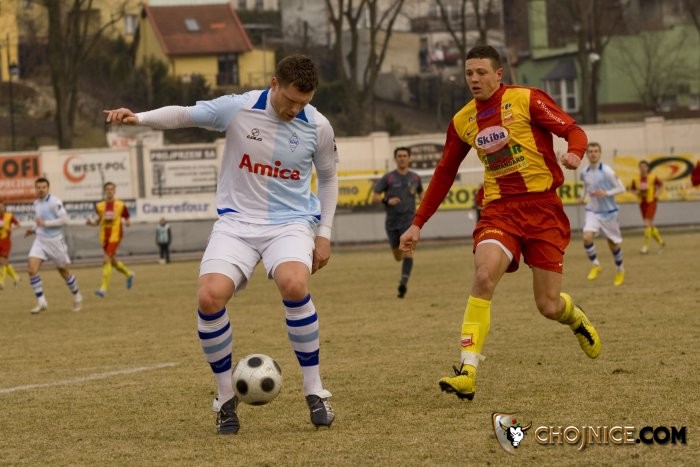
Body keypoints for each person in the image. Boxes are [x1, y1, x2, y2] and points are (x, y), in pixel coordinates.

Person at [104, 54, 339, 434]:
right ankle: (226, 400)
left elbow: (328, 179)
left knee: (295, 284)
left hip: (290, 223)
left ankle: (315, 391)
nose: (295, 109)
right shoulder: (238, 108)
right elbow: (185, 115)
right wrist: (139, 118)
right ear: (274, 83)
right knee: (209, 297)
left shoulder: (319, 126)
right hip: (236, 223)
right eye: (290, 100)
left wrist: (323, 234)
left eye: (304, 102)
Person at [399, 45, 601, 401]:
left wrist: (574, 153)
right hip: (499, 211)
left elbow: (574, 130)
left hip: (543, 210)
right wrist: (417, 223)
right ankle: (468, 370)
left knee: (548, 305)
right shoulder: (462, 121)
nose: (474, 79)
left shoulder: (526, 99)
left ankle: (575, 318)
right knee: (482, 276)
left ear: (498, 74)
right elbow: (444, 173)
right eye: (468, 73)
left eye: (481, 72)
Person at [24, 178, 83, 313]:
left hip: (55, 241)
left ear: (48, 188)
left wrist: (45, 224)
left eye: (43, 187)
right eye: (38, 187)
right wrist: (33, 229)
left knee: (63, 272)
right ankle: (41, 301)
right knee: (31, 269)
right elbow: (40, 221)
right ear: (35, 188)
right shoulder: (36, 203)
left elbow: (64, 220)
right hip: (40, 240)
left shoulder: (55, 202)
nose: (40, 190)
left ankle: (77, 295)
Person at [371, 146, 423, 298]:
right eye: (399, 156)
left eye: (405, 156)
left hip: (409, 222)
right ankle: (401, 265)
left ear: (409, 158)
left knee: (408, 253)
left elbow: (422, 196)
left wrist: (423, 213)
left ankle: (403, 284)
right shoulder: (388, 178)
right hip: (392, 223)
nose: (402, 158)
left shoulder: (415, 178)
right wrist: (387, 200)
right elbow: (374, 198)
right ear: (395, 159)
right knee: (398, 256)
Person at [579, 142, 626, 286]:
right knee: (586, 237)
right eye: (590, 151)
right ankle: (596, 265)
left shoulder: (607, 171)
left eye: (596, 151)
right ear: (587, 154)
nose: (593, 154)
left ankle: (620, 270)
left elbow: (621, 188)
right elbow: (586, 186)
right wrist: (582, 196)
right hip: (592, 211)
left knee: (613, 244)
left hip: (609, 213)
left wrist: (607, 193)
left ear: (600, 154)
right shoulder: (584, 172)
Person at [86, 181, 134, 297]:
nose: (110, 191)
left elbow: (127, 218)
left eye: (112, 189)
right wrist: (90, 223)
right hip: (104, 237)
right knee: (113, 261)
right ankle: (129, 274)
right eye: (107, 189)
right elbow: (98, 222)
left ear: (115, 191)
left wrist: (127, 223)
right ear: (104, 191)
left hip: (115, 235)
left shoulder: (121, 205)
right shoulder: (99, 206)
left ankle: (103, 289)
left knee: (106, 259)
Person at [628, 160, 665, 254]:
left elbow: (661, 185)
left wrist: (657, 194)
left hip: (651, 202)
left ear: (648, 168)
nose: (643, 168)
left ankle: (645, 247)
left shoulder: (653, 177)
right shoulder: (636, 179)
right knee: (650, 224)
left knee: (646, 223)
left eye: (644, 166)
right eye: (641, 167)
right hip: (642, 203)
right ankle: (661, 242)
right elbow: (631, 189)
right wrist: (637, 192)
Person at [0, 200, 21, 289]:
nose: (0, 208)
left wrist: (10, 229)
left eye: (1, 207)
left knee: (2, 261)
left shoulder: (9, 216)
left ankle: (1, 281)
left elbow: (18, 225)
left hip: (5, 241)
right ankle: (16, 277)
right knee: (4, 262)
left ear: (4, 208)